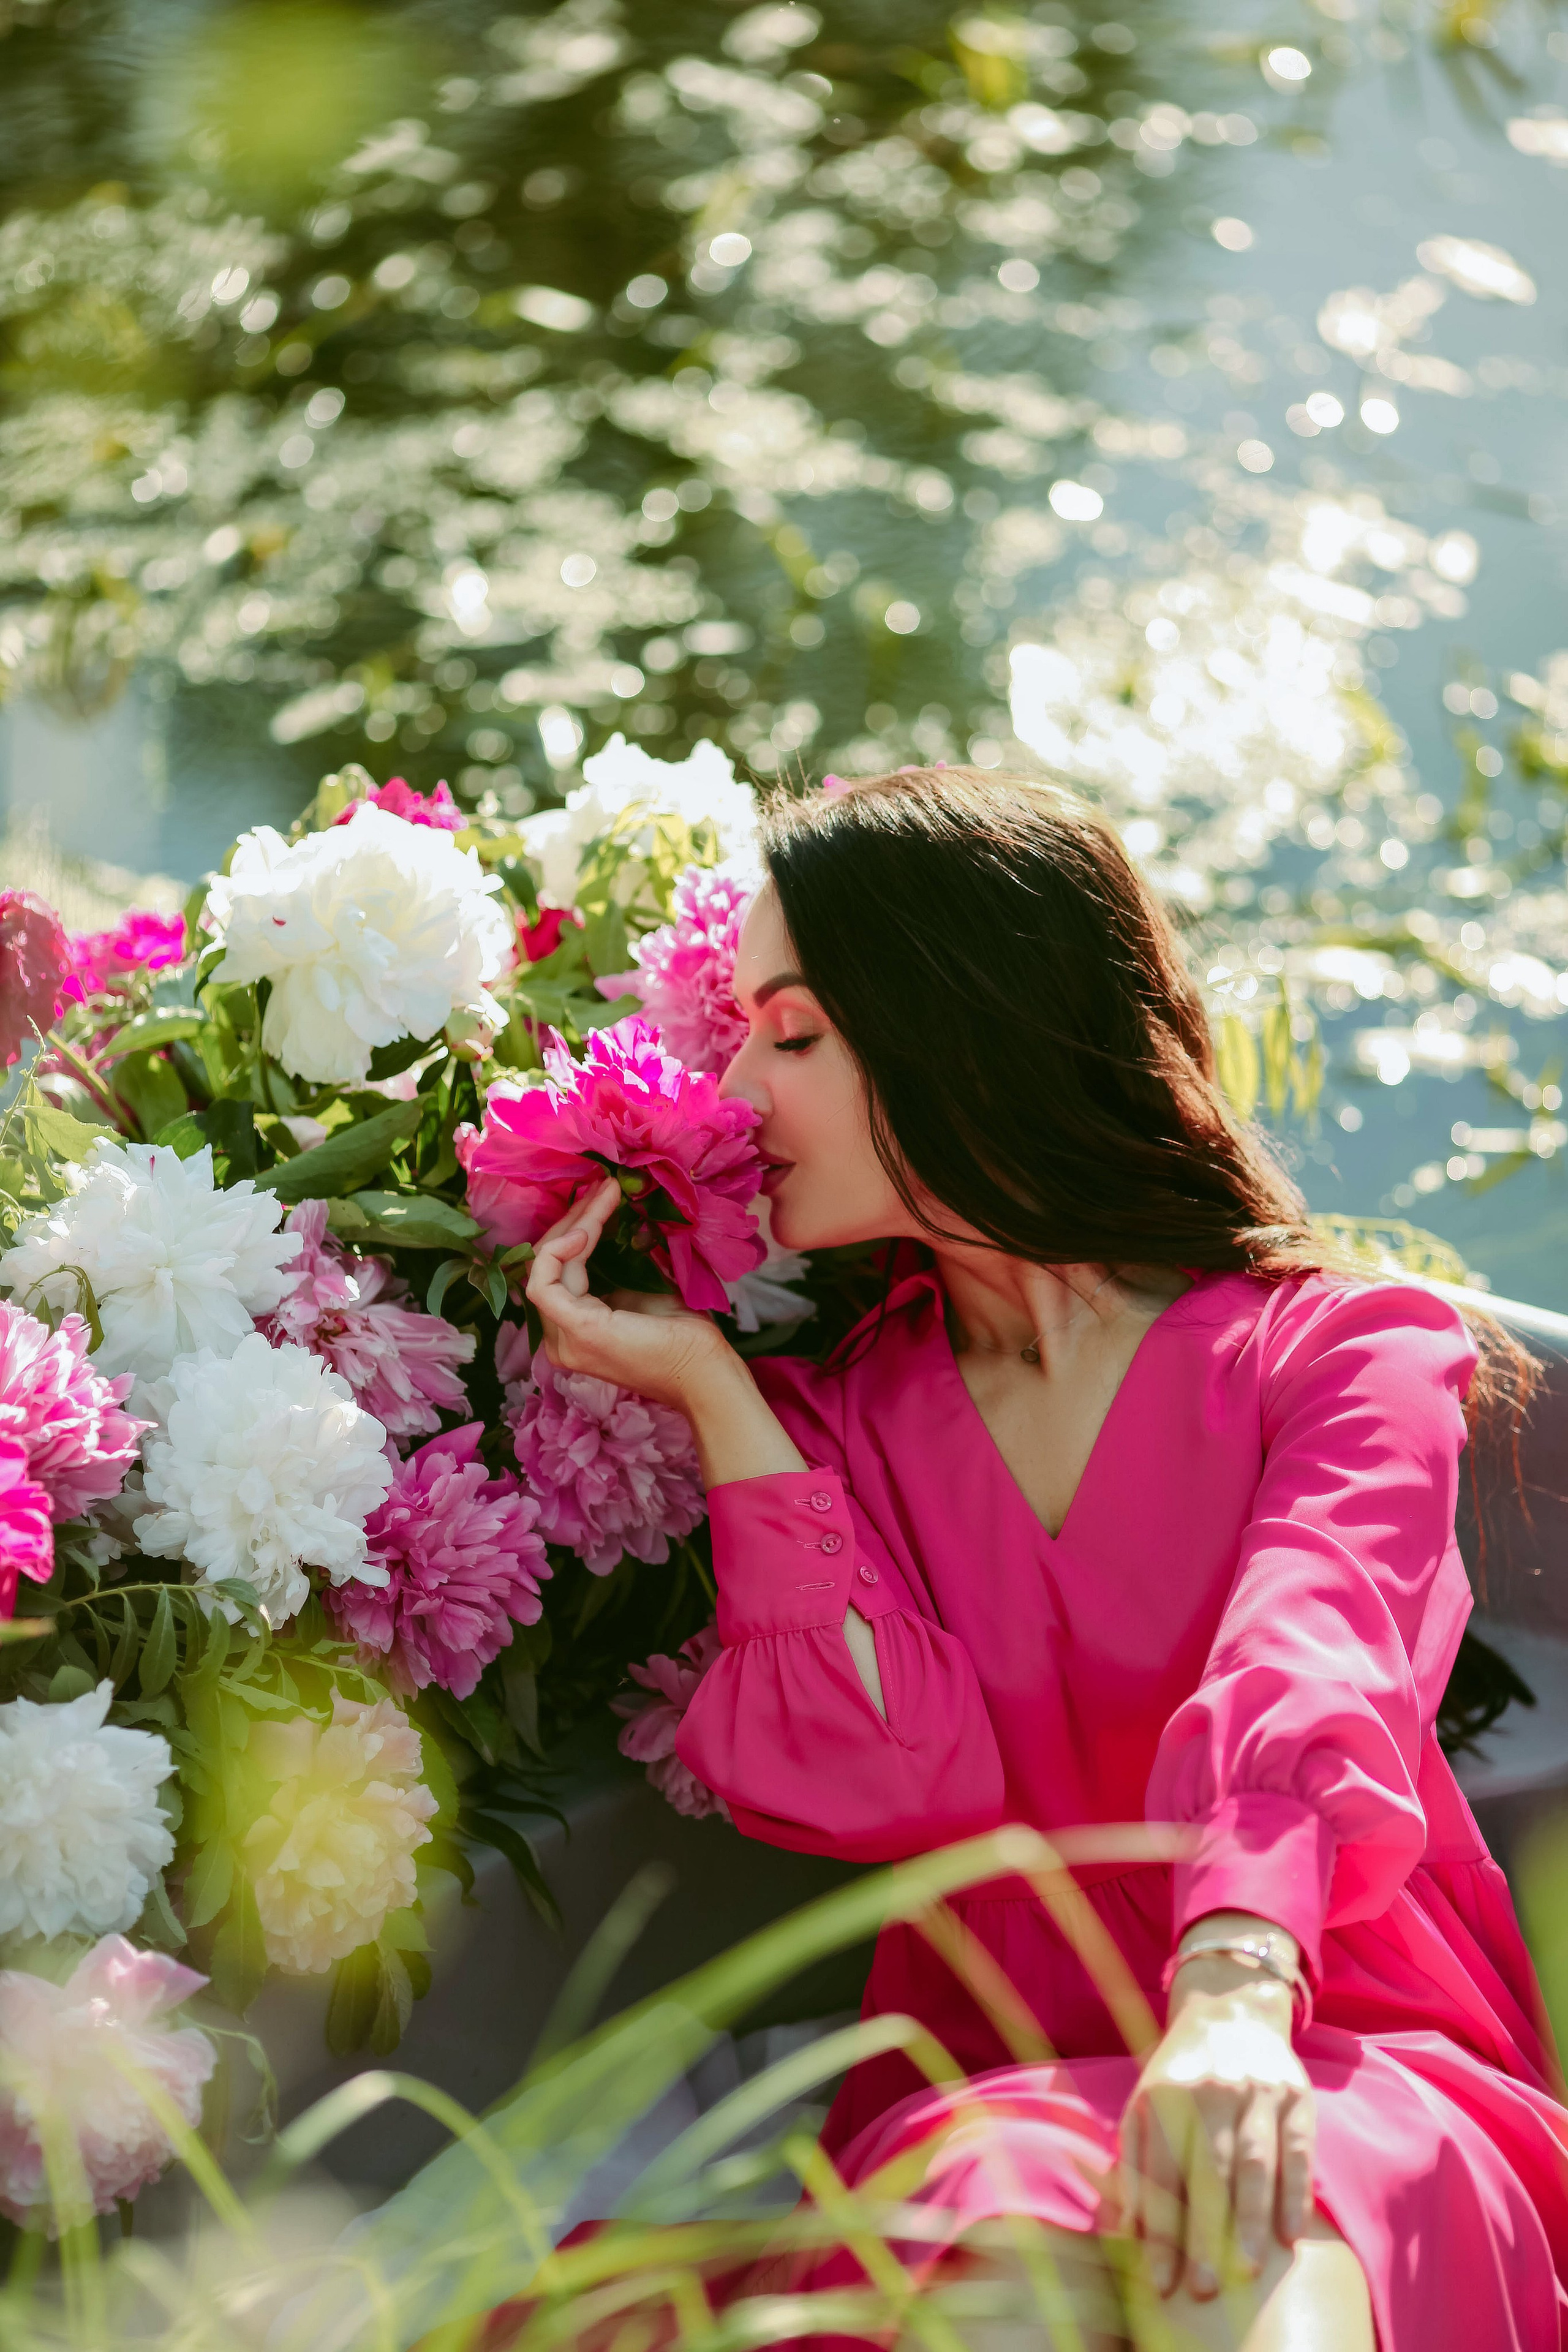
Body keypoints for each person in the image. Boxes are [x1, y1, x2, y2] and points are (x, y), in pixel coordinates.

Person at [526, 769, 1568, 2350]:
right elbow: (889, 1782)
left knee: (1251, 2285)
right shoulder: (846, 1422)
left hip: (1331, 2042)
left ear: (962, 1029)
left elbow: (1310, 1655)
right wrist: (717, 1392)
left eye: (792, 1033)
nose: (740, 1086)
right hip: (998, 2081)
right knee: (1014, 2287)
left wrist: (1229, 2006)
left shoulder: (1350, 1352)